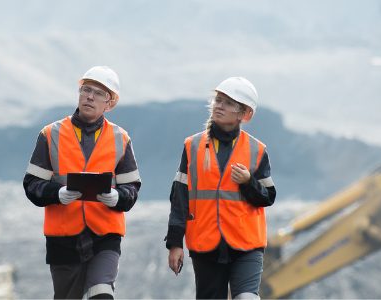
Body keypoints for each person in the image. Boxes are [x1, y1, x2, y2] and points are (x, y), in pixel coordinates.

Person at [23, 66, 141, 299]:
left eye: (99, 93)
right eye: (86, 89)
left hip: (105, 236)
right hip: (63, 240)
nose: (90, 96)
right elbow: (31, 184)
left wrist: (118, 197)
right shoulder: (51, 134)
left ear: (110, 103)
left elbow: (132, 188)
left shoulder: (121, 138)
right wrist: (57, 193)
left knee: (102, 294)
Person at [165, 77, 276, 299]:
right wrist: (174, 243)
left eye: (227, 102)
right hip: (206, 246)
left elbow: (268, 197)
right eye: (218, 99)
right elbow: (179, 199)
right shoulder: (192, 146)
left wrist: (248, 183)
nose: (219, 105)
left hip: (246, 245)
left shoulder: (257, 150)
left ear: (244, 113)